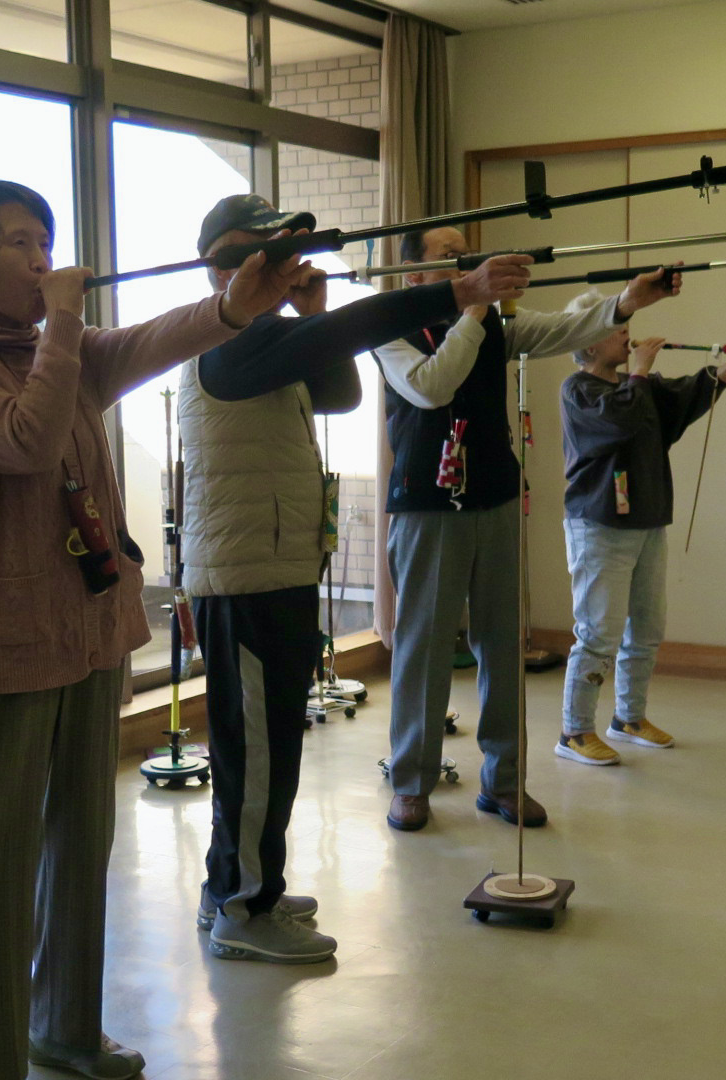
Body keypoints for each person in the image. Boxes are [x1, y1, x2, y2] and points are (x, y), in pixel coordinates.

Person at [0, 179, 308, 1080]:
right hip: (3, 648)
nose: (41, 256)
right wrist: (59, 324)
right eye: (18, 241)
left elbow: (158, 339)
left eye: (44, 238)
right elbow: (29, 439)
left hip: (88, 632)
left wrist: (234, 306)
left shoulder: (71, 351)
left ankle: (65, 1029)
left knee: (80, 847)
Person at [179, 196, 531, 962]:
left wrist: (313, 312)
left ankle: (237, 886)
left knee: (269, 748)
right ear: (226, 264)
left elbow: (339, 391)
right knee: (257, 755)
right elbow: (348, 338)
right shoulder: (227, 338)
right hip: (242, 576)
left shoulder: (267, 339)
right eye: (264, 253)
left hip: (274, 566)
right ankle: (243, 909)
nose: (280, 266)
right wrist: (457, 292)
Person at [372, 225, 682, 832]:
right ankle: (411, 783)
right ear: (414, 274)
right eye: (450, 255)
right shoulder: (391, 329)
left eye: (469, 251)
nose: (467, 260)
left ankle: (505, 779)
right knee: (423, 651)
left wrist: (626, 303)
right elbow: (432, 387)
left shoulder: (496, 323)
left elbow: (563, 330)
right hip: (426, 506)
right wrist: (475, 306)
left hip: (495, 497)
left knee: (503, 644)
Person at [555, 309, 726, 764]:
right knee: (598, 633)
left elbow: (683, 397)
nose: (626, 332)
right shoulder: (577, 390)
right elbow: (619, 422)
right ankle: (574, 731)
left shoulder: (639, 386)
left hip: (647, 520)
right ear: (588, 343)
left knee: (646, 628)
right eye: (614, 329)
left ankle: (629, 718)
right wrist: (640, 371)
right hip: (599, 524)